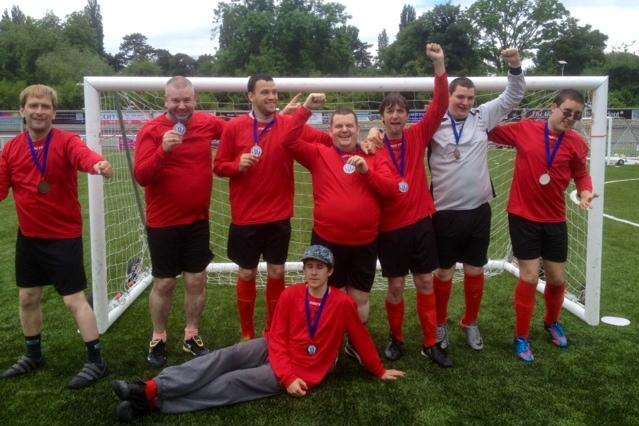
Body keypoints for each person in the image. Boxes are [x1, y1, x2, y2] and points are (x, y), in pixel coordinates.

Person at [111, 245, 405, 422]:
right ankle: (151, 388)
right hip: (277, 350)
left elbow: (361, 338)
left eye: (320, 268)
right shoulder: (292, 295)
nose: (313, 272)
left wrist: (378, 371)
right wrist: (285, 371)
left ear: (330, 272)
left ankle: (155, 403)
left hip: (304, 369)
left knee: (231, 383)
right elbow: (276, 338)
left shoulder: (342, 304)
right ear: (303, 271)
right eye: (309, 267)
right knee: (227, 356)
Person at [0, 84, 113, 389]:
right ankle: (33, 355)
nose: (39, 111)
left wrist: (98, 164)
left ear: (53, 112)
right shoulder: (11, 149)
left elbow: (84, 156)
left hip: (63, 237)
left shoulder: (65, 142)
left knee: (73, 300)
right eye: (33, 106)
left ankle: (96, 361)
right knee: (27, 297)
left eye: (45, 107)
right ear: (22, 110)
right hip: (29, 237)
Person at [213, 75, 326, 341]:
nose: (272, 97)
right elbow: (218, 166)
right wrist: (235, 166)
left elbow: (324, 140)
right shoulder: (234, 127)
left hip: (278, 216)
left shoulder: (288, 124)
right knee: (247, 272)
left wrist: (361, 141)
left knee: (277, 271)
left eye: (274, 92)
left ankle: (272, 330)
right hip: (245, 217)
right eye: (265, 92)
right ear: (250, 96)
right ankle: (247, 333)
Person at [488, 89, 596, 364]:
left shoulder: (576, 143)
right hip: (523, 215)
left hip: (555, 219)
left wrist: (586, 191)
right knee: (529, 277)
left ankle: (551, 321)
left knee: (558, 279)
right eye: (566, 111)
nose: (570, 118)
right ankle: (521, 336)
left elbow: (582, 175)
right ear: (553, 107)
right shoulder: (524, 129)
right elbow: (488, 130)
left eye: (576, 115)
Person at [429, 48, 525, 355]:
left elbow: (513, 96)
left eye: (470, 98)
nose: (466, 102)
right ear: (450, 96)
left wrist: (514, 65)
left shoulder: (482, 116)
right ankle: (440, 322)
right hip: (444, 213)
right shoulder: (434, 121)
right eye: (460, 97)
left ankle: (470, 321)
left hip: (478, 212)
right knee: (443, 273)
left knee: (474, 270)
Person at [285, 107, 400, 360]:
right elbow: (289, 140)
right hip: (327, 242)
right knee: (326, 297)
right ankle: (329, 344)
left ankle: (354, 342)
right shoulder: (319, 153)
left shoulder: (374, 154)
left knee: (359, 299)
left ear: (358, 129)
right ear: (330, 131)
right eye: (339, 126)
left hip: (364, 242)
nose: (345, 130)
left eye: (349, 125)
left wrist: (365, 171)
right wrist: (305, 109)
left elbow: (392, 190)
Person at [363, 43, 451, 366]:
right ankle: (397, 339)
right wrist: (368, 139)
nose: (396, 115)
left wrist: (439, 66)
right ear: (383, 117)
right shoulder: (372, 148)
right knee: (396, 287)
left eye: (401, 110)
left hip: (421, 223)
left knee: (426, 281)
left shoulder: (417, 136)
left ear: (406, 115)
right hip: (390, 230)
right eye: (390, 111)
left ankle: (430, 342)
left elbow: (441, 104)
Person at [134, 76, 225, 367]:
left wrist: (279, 119)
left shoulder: (208, 124)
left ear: (194, 100)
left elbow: (242, 131)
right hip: (163, 223)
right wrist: (163, 151)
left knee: (196, 279)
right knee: (164, 283)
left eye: (187, 100)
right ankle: (159, 336)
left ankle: (191, 334)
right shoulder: (151, 131)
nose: (182, 105)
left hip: (197, 220)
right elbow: (142, 176)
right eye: (176, 100)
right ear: (166, 101)